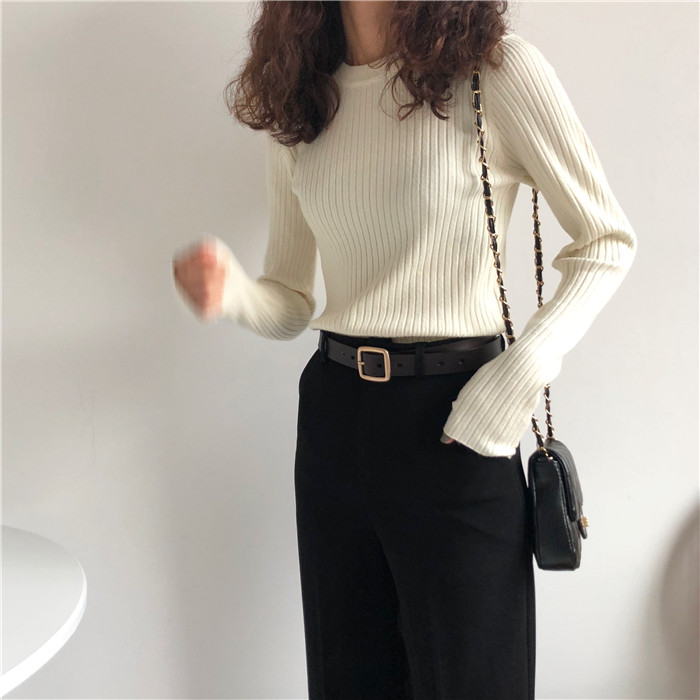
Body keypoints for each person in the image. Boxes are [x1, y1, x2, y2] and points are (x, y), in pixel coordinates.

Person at [172, 1, 637, 698]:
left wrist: (516, 378)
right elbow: (291, 299)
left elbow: (605, 241)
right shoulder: (302, 94)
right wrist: (232, 293)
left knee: (474, 681)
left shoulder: (493, 71)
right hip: (334, 419)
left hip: (458, 420)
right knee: (348, 680)